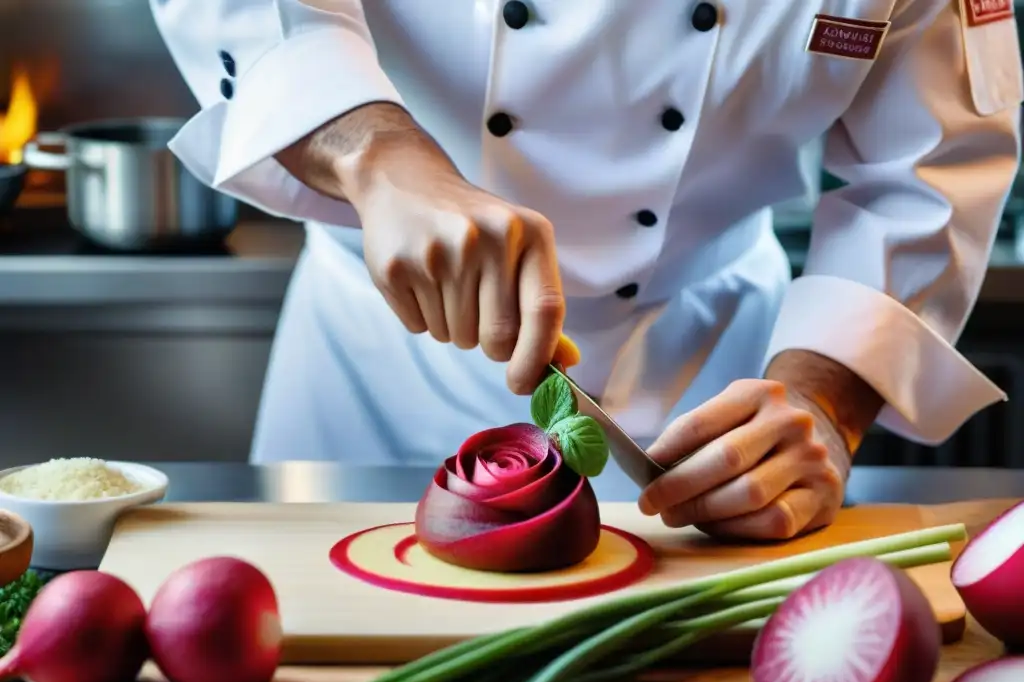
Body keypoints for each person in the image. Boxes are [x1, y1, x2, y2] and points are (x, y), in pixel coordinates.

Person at [150, 0, 1021, 540]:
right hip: (380, 362)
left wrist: (826, 401)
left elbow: (931, 167)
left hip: (720, 378)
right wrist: (375, 152)